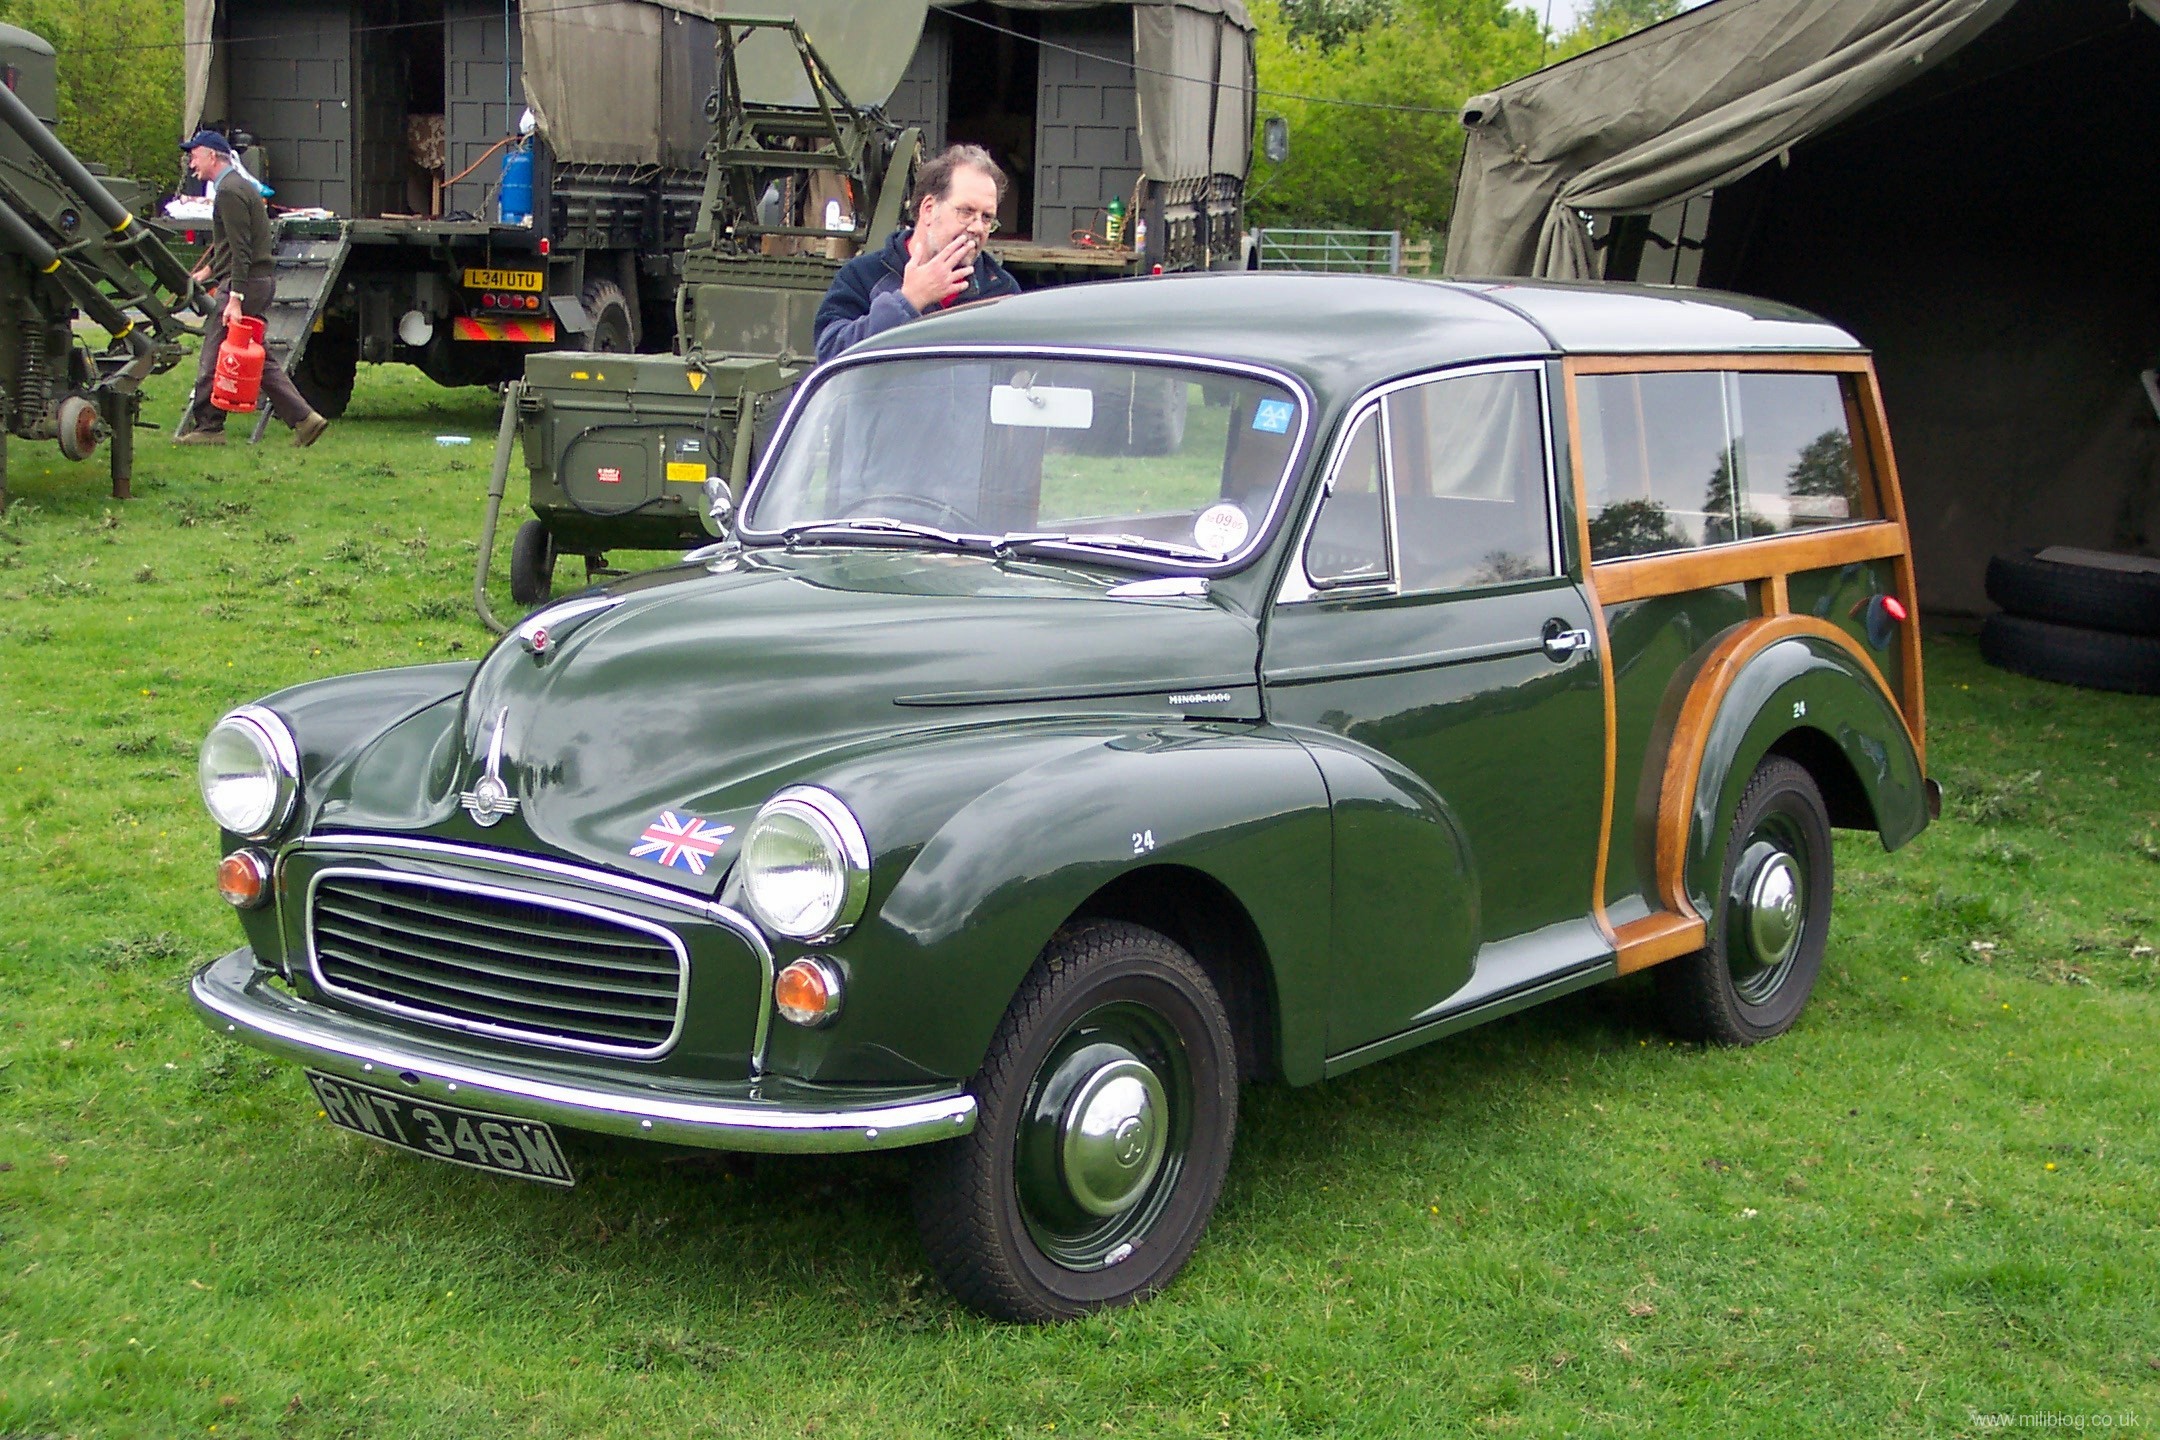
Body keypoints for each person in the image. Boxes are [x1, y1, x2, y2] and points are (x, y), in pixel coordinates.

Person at [175, 130, 327, 447]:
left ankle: (209, 428)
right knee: (259, 359)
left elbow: (241, 250)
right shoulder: (238, 187)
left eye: (195, 155)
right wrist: (206, 272)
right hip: (256, 281)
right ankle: (305, 419)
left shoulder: (229, 192)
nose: (192, 162)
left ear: (213, 156)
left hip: (245, 284)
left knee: (214, 354)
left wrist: (235, 298)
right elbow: (232, 247)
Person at [813, 144, 1020, 363]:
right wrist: (909, 301)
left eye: (987, 218)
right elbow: (830, 355)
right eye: (966, 212)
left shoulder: (1001, 290)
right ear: (929, 209)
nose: (978, 228)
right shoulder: (863, 275)